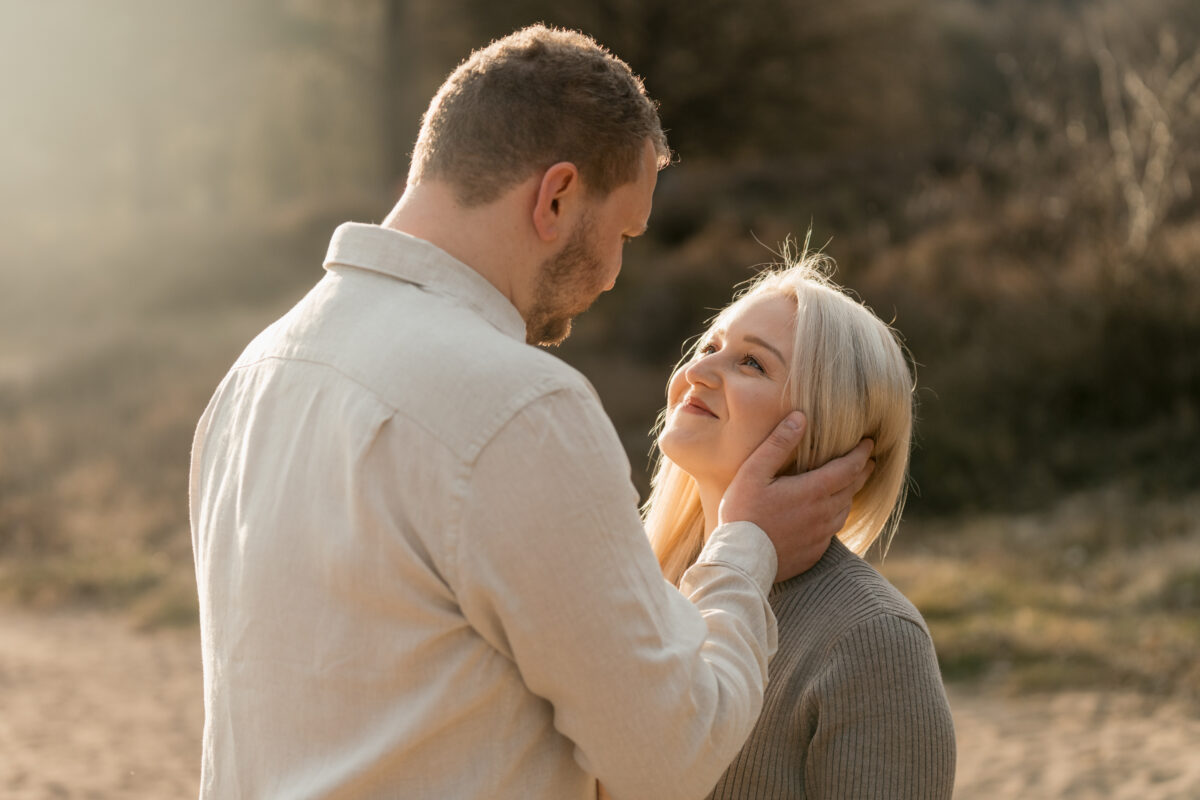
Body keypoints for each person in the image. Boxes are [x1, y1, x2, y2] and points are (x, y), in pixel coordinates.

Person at [189, 25, 874, 800]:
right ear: (555, 197)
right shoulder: (517, 405)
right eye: (622, 233)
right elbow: (669, 758)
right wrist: (745, 548)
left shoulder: (258, 373)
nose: (615, 273)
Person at [641, 244, 957, 799]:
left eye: (751, 362)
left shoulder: (873, 639)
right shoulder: (639, 584)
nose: (696, 371)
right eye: (711, 346)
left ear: (825, 426)